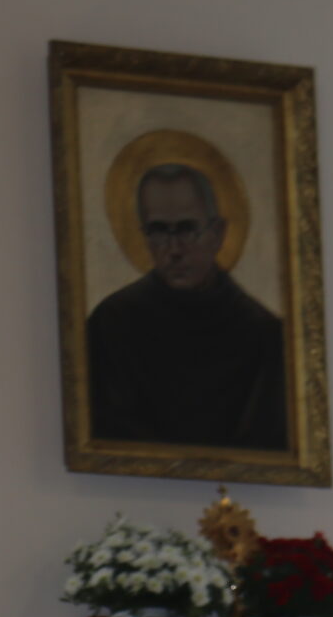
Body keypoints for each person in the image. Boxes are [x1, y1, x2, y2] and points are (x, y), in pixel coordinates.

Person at [86, 163, 289, 451]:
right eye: (159, 231)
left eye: (186, 229)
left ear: (217, 234)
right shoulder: (111, 323)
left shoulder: (263, 333)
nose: (174, 249)